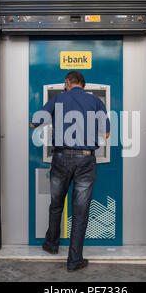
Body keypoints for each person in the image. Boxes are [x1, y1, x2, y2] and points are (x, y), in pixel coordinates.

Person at [30, 71, 110, 271]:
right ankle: (74, 261)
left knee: (56, 203)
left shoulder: (58, 98)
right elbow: (106, 133)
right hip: (85, 159)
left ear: (68, 82)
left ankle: (51, 244)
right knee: (80, 212)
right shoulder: (96, 102)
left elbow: (33, 122)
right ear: (83, 85)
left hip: (60, 158)